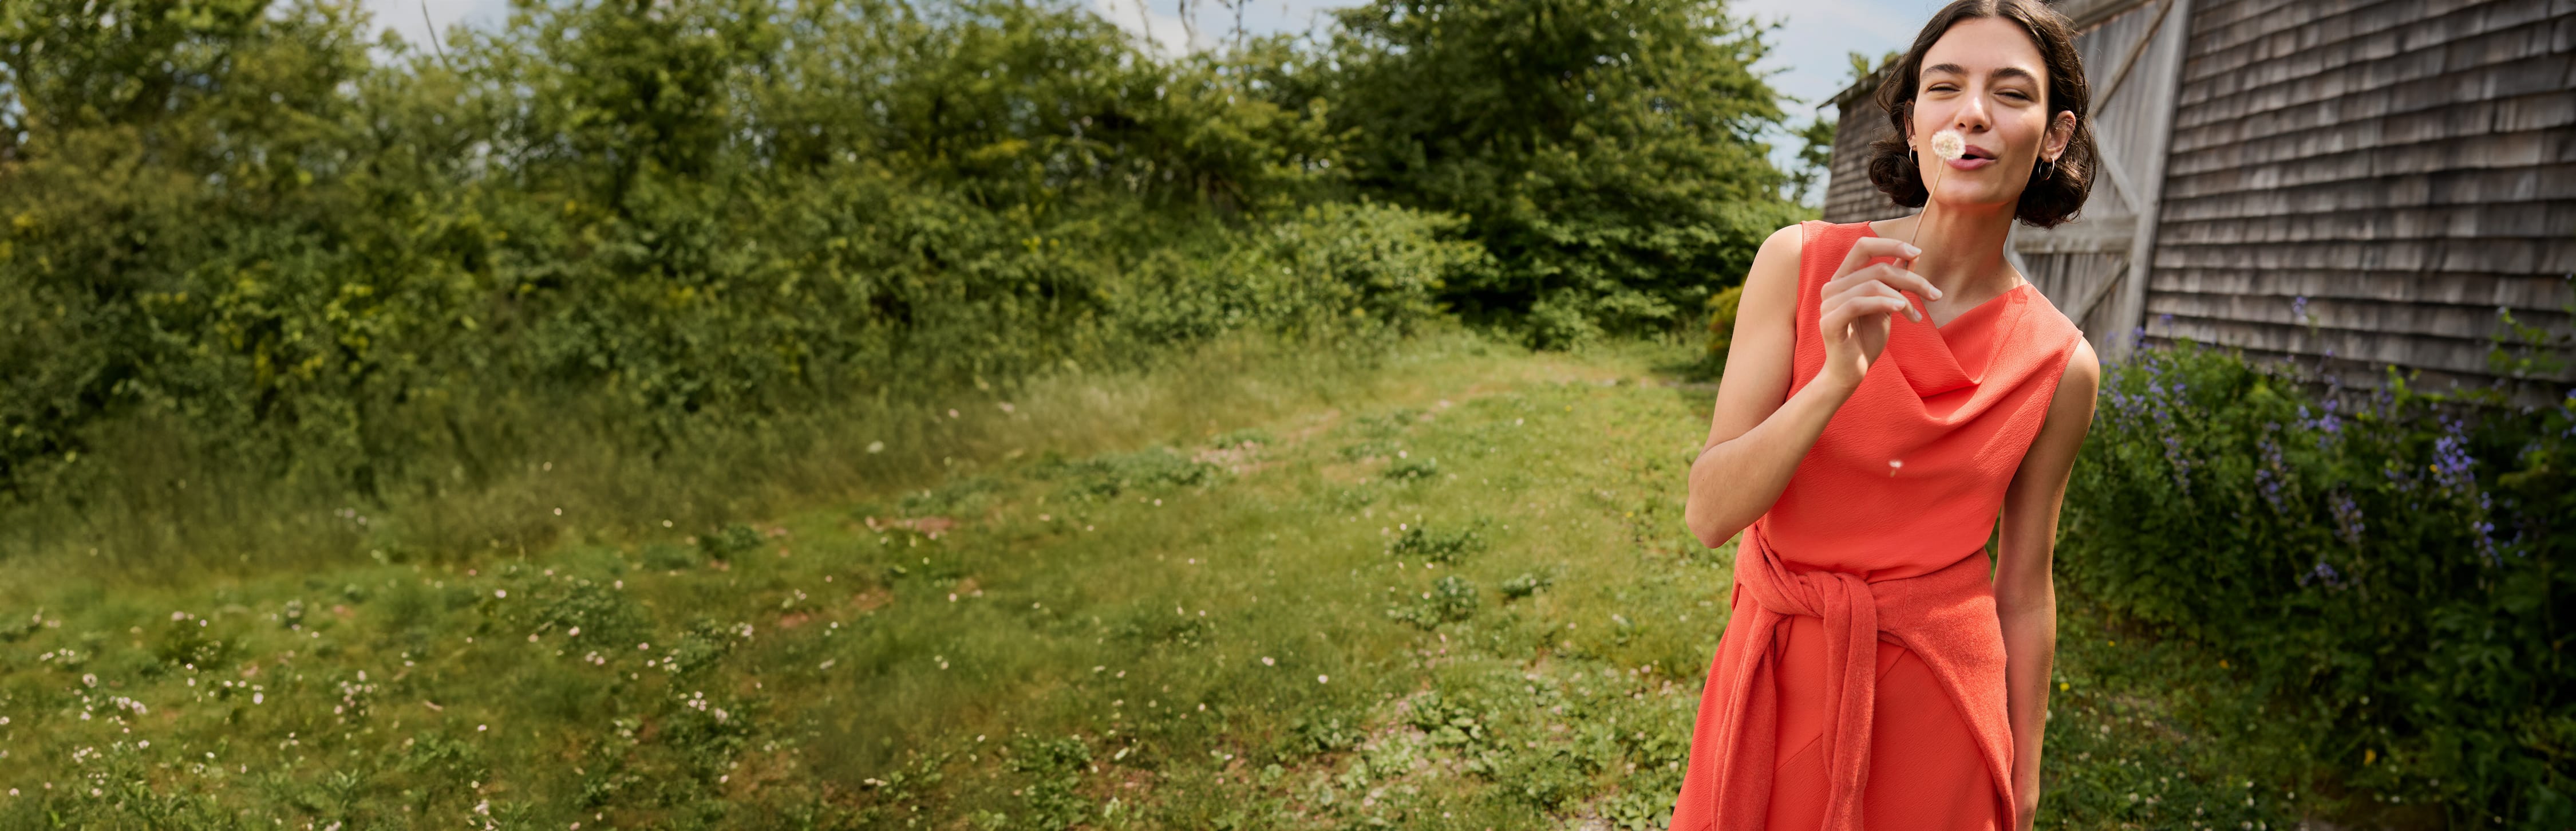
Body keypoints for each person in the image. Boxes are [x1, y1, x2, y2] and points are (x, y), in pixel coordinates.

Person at [1665, 1, 2103, 829]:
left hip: (1940, 700)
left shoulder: (2062, 364)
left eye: (2011, 93)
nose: (1973, 111)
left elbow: (2024, 585)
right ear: (1914, 124)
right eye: (1946, 87)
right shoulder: (1798, 262)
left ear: (2052, 136)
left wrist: (2025, 770)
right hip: (1774, 677)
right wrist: (1835, 379)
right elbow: (1710, 513)